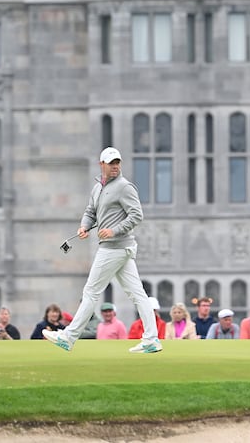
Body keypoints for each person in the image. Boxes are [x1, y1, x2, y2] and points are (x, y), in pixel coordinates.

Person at [42, 147, 162, 355]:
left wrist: (113, 230)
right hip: (118, 249)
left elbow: (137, 215)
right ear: (102, 165)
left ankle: (68, 337)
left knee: (90, 292)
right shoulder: (97, 188)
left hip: (115, 247)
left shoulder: (125, 187)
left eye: (118, 162)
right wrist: (83, 227)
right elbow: (90, 212)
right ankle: (151, 340)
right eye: (111, 163)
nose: (115, 166)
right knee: (138, 294)